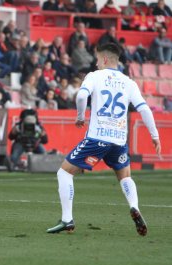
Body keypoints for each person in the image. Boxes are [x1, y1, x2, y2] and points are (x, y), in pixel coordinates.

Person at [47, 43, 161, 236]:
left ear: (105, 59)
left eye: (98, 59)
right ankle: (134, 206)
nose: (97, 63)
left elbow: (81, 96)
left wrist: (80, 116)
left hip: (97, 138)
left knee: (64, 173)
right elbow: (144, 109)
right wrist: (155, 136)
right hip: (118, 140)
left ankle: (67, 219)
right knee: (125, 176)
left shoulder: (94, 76)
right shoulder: (129, 82)